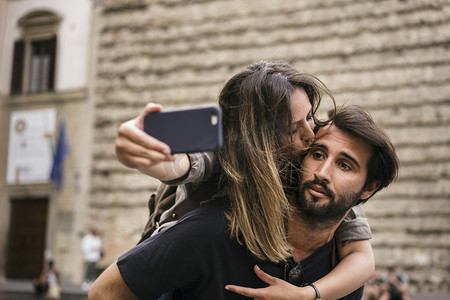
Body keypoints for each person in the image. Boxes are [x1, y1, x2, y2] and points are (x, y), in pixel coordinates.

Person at [89, 62, 395, 299]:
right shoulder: (226, 175)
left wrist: (307, 294)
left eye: (310, 118)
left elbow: (362, 258)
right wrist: (149, 156)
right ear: (262, 143)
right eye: (293, 128)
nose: (310, 135)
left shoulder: (319, 185)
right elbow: (189, 164)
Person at [224, 104, 399, 299]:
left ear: (369, 188)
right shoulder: (225, 222)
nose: (321, 173)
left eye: (344, 165)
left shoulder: (343, 259)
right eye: (317, 155)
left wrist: (307, 295)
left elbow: (363, 260)